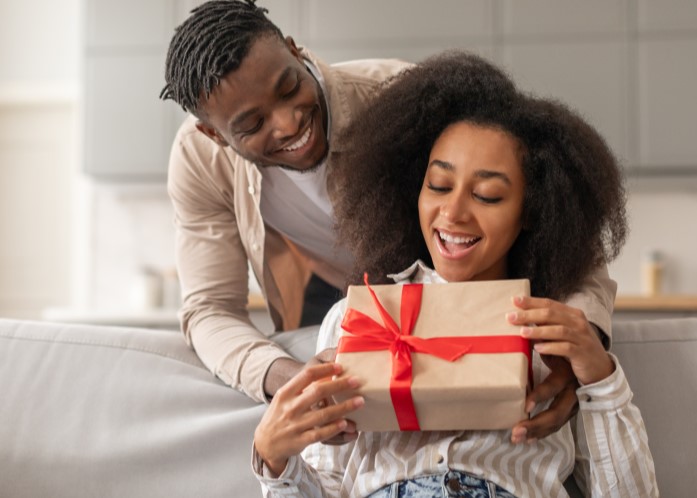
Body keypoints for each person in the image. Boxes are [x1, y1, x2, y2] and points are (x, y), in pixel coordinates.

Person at [160, 0, 617, 442]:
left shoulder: (403, 97)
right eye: (253, 125)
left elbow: (567, 222)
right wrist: (293, 381)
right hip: (336, 304)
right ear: (213, 133)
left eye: (289, 87)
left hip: (449, 294)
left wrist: (582, 345)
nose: (289, 122)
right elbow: (209, 309)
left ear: (296, 51)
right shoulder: (199, 161)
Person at [253, 52, 657, 498]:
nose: (453, 212)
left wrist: (600, 379)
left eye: (488, 195)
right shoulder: (358, 319)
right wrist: (273, 459)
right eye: (439, 186)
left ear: (531, 210)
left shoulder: (557, 337)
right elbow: (325, 484)